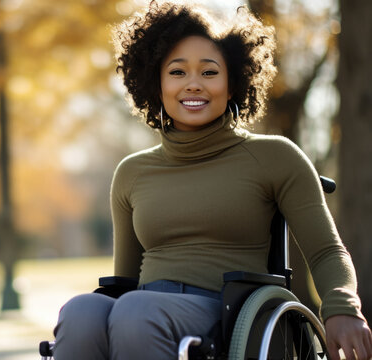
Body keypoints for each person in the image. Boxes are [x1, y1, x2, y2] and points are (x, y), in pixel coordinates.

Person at [52, 2, 372, 360]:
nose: (193, 85)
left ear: (232, 82)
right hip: (142, 308)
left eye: (209, 72)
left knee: (137, 312)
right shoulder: (132, 172)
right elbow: (125, 282)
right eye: (177, 72)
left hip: (228, 312)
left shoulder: (274, 157)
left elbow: (326, 250)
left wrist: (343, 308)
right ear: (155, 85)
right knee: (80, 312)